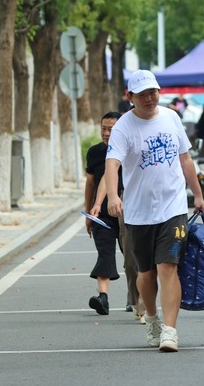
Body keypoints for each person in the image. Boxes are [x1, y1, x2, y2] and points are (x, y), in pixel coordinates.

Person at [104, 69, 204, 353]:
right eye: (143, 94)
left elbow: (185, 158)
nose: (149, 98)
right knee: (146, 273)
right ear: (130, 97)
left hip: (173, 207)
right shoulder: (124, 126)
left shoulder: (171, 117)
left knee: (168, 266)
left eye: (153, 92)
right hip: (138, 212)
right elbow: (112, 163)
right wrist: (113, 196)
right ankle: (151, 316)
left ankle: (170, 331)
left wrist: (197, 194)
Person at [85, 112, 134, 316]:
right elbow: (91, 183)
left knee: (131, 258)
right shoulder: (95, 152)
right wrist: (90, 211)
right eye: (103, 128)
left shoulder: (129, 150)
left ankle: (135, 297)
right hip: (102, 214)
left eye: (111, 129)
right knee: (104, 253)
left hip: (128, 212)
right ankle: (103, 298)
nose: (106, 133)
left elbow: (109, 173)